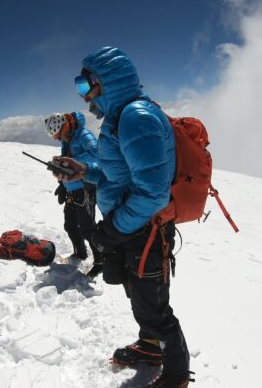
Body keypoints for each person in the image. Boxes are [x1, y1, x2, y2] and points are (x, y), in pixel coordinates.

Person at [53, 47, 192, 387]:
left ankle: (175, 376)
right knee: (139, 297)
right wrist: (84, 170)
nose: (84, 98)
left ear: (106, 82)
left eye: (86, 87)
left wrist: (112, 230)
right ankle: (149, 349)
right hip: (133, 227)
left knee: (155, 309)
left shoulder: (136, 118)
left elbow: (152, 194)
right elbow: (120, 176)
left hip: (146, 229)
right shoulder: (120, 119)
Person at [43, 111, 103, 277]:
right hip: (71, 190)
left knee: (87, 228)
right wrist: (62, 184)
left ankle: (100, 261)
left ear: (65, 126)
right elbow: (67, 162)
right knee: (70, 226)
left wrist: (74, 161)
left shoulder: (84, 135)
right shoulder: (66, 140)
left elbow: (96, 157)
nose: (57, 138)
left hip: (85, 188)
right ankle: (80, 252)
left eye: (58, 134)